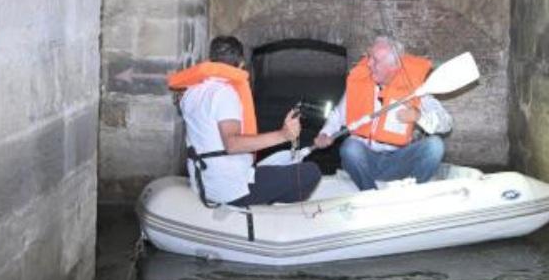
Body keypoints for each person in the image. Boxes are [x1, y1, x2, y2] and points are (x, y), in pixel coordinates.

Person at [173, 35, 321, 207]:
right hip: (230, 188)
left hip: (204, 181)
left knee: (279, 162)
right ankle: (271, 217)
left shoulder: (191, 93)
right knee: (311, 172)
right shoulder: (224, 93)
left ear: (210, 61)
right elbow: (232, 144)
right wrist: (283, 134)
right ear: (242, 64)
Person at [314, 36, 452, 190]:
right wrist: (325, 133)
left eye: (376, 60)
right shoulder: (361, 82)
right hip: (365, 160)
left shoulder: (415, 89)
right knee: (350, 148)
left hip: (399, 160)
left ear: (394, 67)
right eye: (369, 57)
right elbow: (338, 115)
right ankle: (371, 194)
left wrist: (418, 116)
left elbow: (446, 123)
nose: (369, 63)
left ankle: (412, 195)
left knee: (435, 146)